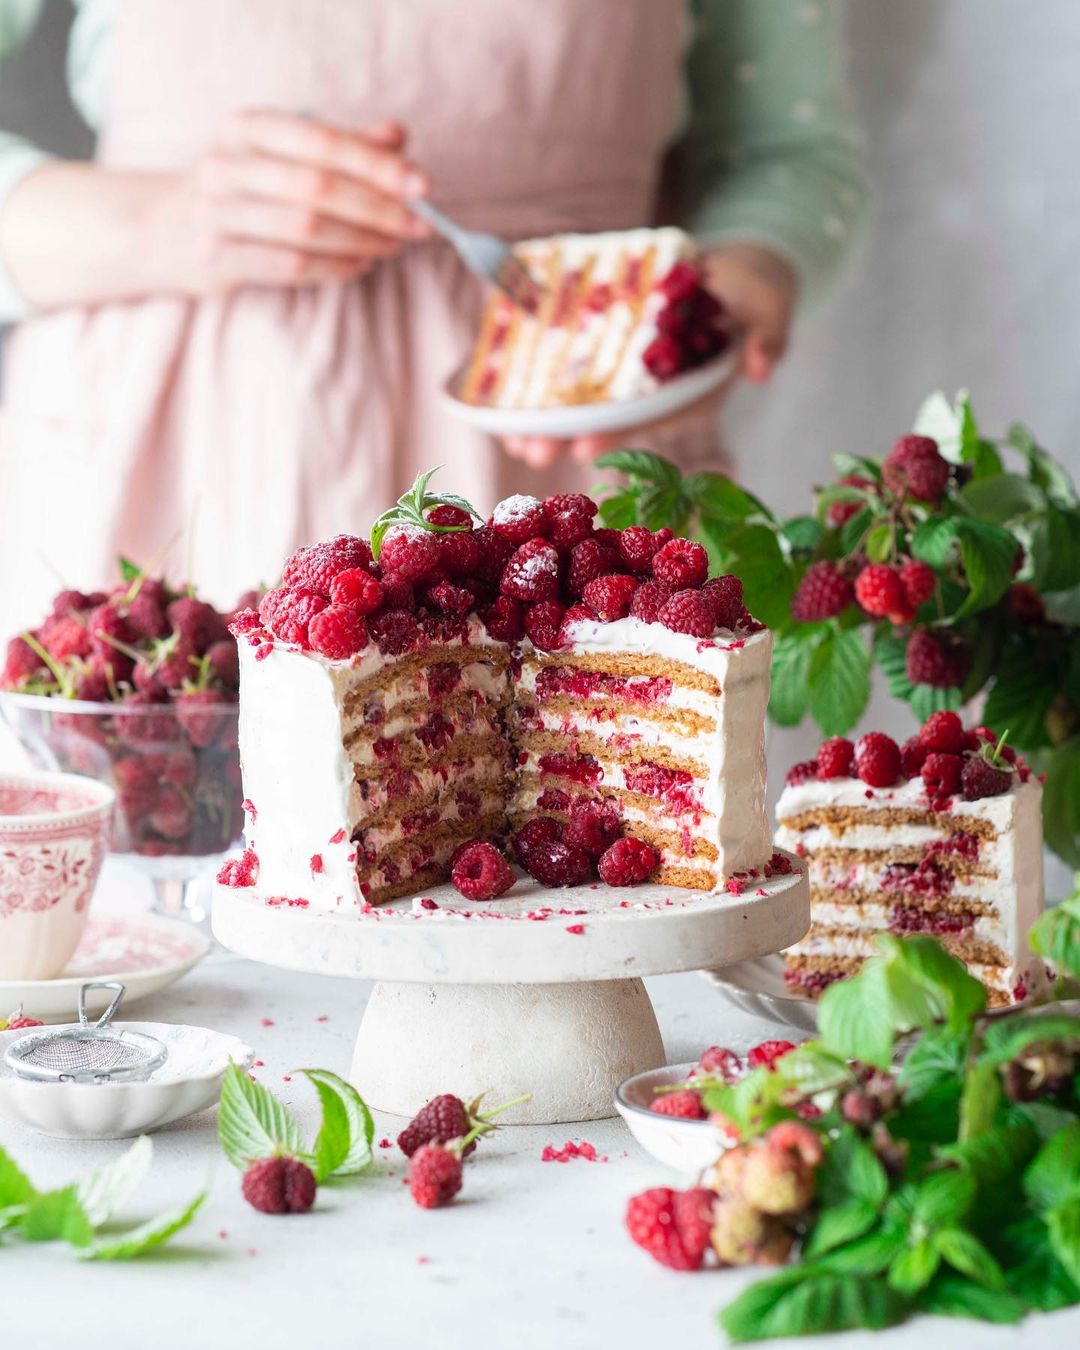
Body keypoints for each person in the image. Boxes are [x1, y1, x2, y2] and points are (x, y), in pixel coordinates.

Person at [0, 1, 866, 629]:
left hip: (557, 438)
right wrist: (173, 215)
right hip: (161, 457)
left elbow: (789, 156)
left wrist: (741, 276)